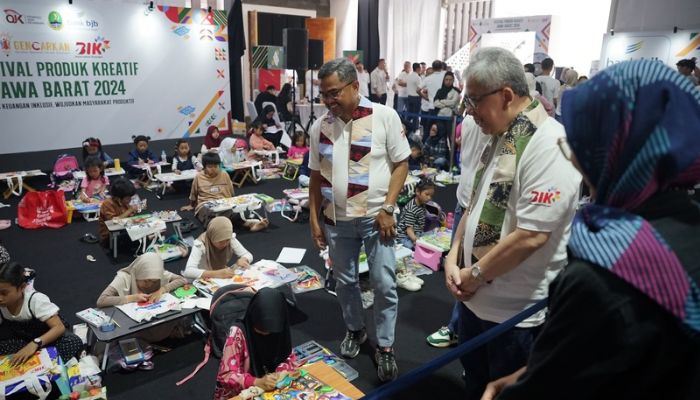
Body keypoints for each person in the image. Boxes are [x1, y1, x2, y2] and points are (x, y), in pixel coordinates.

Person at [482, 59, 700, 400]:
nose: (572, 158)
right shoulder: (686, 222)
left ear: (612, 151)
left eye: (581, 145)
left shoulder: (603, 273)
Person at [444, 47, 581, 399]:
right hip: (475, 300)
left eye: (474, 101)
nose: (469, 112)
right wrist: (453, 254)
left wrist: (473, 275)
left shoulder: (550, 143)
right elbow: (472, 201)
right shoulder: (502, 136)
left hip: (515, 314)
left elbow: (531, 237)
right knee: (476, 385)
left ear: (506, 95)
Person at [309, 57, 410, 382]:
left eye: (334, 93)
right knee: (346, 283)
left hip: (376, 219)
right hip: (336, 221)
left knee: (383, 283)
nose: (328, 100)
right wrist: (314, 220)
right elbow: (314, 177)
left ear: (355, 86)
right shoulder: (320, 126)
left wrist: (389, 208)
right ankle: (356, 329)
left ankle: (385, 346)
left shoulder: (384, 116)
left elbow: (401, 164)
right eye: (324, 94)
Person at [426, 115, 490, 348]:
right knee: (461, 271)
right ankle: (460, 329)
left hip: (480, 204)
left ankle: (461, 329)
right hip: (468, 199)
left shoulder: (504, 120)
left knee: (474, 273)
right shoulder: (474, 118)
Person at [214, 287, 299, 400]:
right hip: (242, 390)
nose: (265, 334)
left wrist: (279, 375)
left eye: (271, 331)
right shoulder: (237, 333)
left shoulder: (281, 330)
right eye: (260, 329)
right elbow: (225, 376)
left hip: (270, 386)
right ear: (253, 317)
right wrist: (256, 381)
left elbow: (287, 356)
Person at [0, 262, 83, 364]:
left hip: (46, 337)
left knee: (72, 341)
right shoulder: (3, 305)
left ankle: (44, 364)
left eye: (4, 293)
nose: (0, 298)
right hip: (23, 338)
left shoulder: (35, 300)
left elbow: (59, 327)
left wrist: (35, 344)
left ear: (22, 287)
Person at [96, 253, 189, 342]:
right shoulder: (123, 277)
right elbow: (101, 300)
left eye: (154, 281)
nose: (149, 285)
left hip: (155, 317)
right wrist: (131, 298)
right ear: (138, 273)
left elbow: (182, 280)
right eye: (146, 281)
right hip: (134, 324)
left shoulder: (158, 274)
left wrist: (162, 290)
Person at [184, 152, 269, 231]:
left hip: (223, 202)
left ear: (219, 166)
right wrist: (191, 205)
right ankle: (217, 228)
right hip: (206, 204)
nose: (213, 169)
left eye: (215, 166)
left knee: (234, 213)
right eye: (210, 167)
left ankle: (249, 225)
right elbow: (193, 194)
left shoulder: (224, 175)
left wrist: (232, 204)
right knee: (209, 215)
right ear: (204, 167)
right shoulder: (198, 177)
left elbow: (231, 193)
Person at [183, 216, 253, 280]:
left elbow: (248, 254)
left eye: (227, 240)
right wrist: (216, 274)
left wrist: (244, 259)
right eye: (220, 242)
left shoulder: (229, 238)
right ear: (212, 238)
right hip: (203, 276)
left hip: (222, 273)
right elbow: (188, 271)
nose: (225, 244)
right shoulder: (200, 244)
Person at [98, 178, 139, 247]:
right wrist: (130, 210)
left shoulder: (124, 202)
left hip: (123, 228)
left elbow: (128, 217)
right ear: (118, 198)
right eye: (128, 198)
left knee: (141, 230)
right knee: (135, 235)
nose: (130, 200)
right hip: (109, 235)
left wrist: (135, 211)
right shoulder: (107, 204)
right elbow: (113, 222)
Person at [396, 178, 435, 250]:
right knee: (416, 249)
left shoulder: (422, 202)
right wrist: (415, 240)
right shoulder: (411, 209)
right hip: (405, 237)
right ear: (417, 191)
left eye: (431, 195)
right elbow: (409, 230)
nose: (429, 198)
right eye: (427, 194)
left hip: (418, 232)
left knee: (434, 234)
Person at [419, 60, 447, 141]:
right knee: (442, 129)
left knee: (428, 129)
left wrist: (426, 98)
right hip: (443, 107)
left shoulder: (428, 78)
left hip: (432, 107)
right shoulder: (445, 76)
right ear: (441, 67)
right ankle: (441, 148)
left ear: (433, 67)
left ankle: (425, 146)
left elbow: (418, 89)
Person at [405, 63, 423, 133]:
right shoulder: (417, 77)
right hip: (416, 98)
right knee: (416, 115)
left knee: (409, 114)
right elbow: (420, 88)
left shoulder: (409, 76)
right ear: (418, 69)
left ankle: (407, 127)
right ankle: (414, 130)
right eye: (421, 68)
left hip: (409, 97)